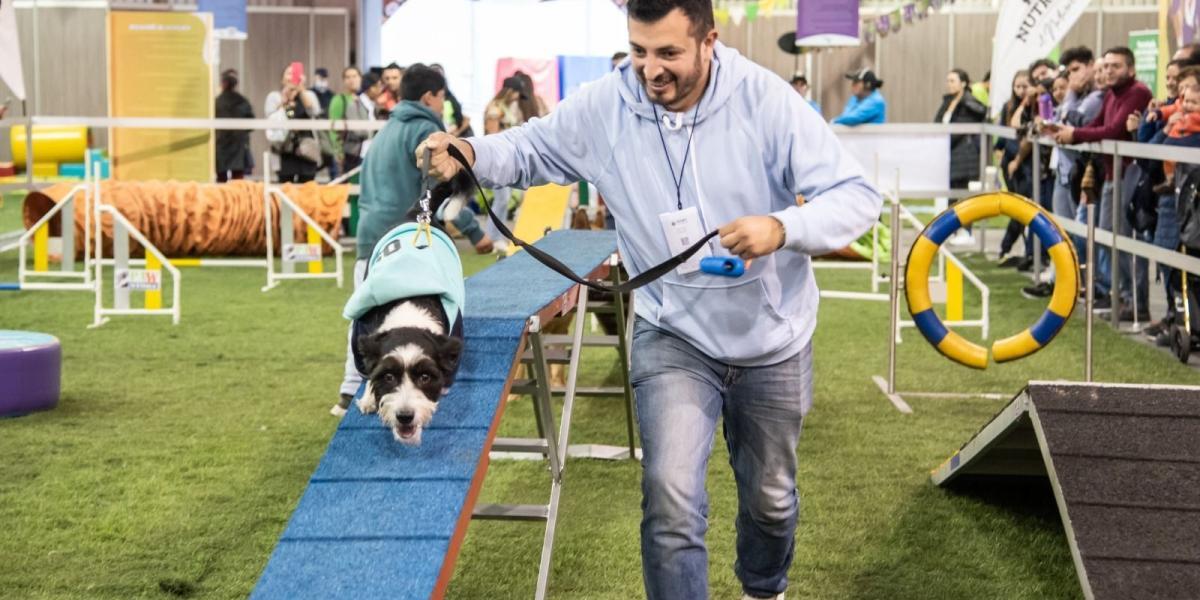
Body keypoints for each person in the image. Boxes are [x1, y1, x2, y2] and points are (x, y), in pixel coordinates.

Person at [417, 2, 881, 598]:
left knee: (770, 500)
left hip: (773, 338)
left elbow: (856, 195)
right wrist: (472, 153)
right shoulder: (605, 106)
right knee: (671, 500)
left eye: (668, 53)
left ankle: (765, 588)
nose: (650, 69)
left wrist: (783, 227)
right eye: (638, 51)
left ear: (709, 40)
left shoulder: (766, 101)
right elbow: (530, 148)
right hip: (671, 331)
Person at [334, 64, 494, 415]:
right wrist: (474, 229)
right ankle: (363, 391)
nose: (442, 107)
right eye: (441, 99)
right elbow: (435, 187)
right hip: (407, 246)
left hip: (371, 241)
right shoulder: (425, 130)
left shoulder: (386, 128)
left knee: (369, 321)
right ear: (429, 97)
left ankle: (350, 391)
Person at [1048, 46, 1154, 316]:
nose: (1107, 71)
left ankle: (1136, 303)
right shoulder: (1110, 95)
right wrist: (1069, 132)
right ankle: (1121, 297)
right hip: (1110, 175)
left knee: (1127, 242)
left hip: (1129, 174)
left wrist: (1075, 134)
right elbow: (1096, 125)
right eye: (1105, 66)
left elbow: (1114, 130)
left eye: (1115, 66)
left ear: (1130, 69)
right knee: (1108, 237)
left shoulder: (1138, 92)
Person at [1024, 47, 1104, 299]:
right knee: (1062, 232)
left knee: (1083, 235)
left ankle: (1090, 285)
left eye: (1077, 70)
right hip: (1064, 171)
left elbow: (1074, 120)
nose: (1073, 78)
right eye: (1069, 72)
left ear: (1091, 65)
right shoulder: (1078, 96)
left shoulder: (1096, 97)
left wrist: (1067, 96)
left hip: (1085, 174)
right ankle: (1063, 282)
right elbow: (1056, 120)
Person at [935, 68, 987, 245]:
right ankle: (951, 229)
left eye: (953, 80)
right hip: (948, 153)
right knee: (951, 193)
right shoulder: (948, 101)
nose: (949, 84)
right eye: (948, 80)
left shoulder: (970, 103)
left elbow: (966, 126)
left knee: (964, 194)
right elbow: (938, 123)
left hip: (964, 155)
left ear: (963, 83)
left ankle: (966, 230)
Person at [264, 64, 322, 183]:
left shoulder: (309, 95)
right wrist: (285, 100)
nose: (292, 77)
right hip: (285, 149)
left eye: (295, 74)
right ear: (282, 79)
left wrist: (301, 91)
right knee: (286, 187)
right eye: (288, 73)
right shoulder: (275, 96)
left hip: (307, 149)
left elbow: (314, 112)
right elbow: (272, 118)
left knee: (307, 187)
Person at [214, 69, 254, 183]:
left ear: (223, 83)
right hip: (238, 148)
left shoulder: (216, 102)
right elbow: (251, 124)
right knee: (238, 182)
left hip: (220, 146)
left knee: (220, 181)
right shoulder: (243, 101)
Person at [429, 63, 472, 137]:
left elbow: (461, 119)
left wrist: (456, 131)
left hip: (452, 135)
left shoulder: (449, 99)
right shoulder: (426, 99)